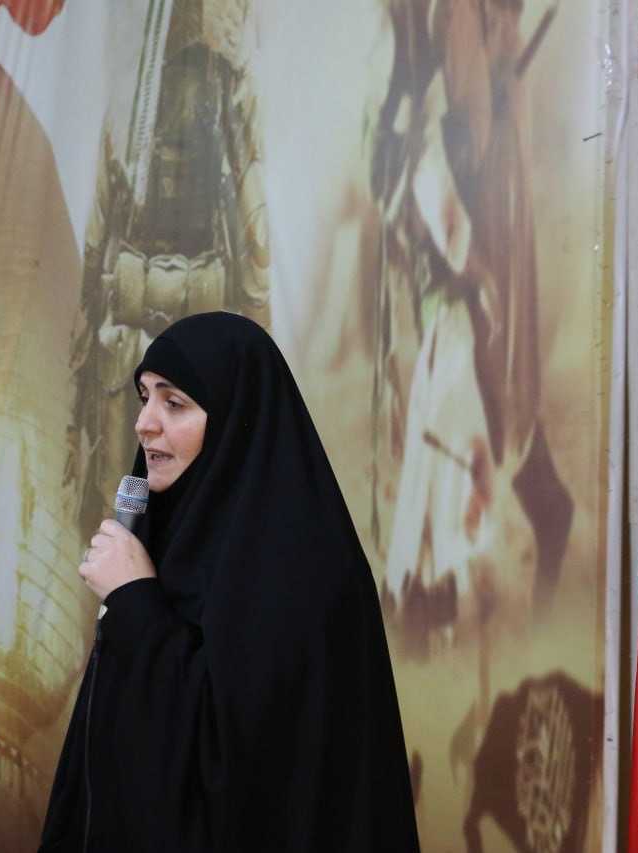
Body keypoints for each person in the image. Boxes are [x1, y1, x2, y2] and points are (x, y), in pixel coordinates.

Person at [40, 312, 420, 851]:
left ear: (237, 422)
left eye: (174, 403)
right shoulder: (166, 536)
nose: (144, 422)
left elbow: (249, 772)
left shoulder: (304, 572)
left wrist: (137, 603)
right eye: (145, 397)